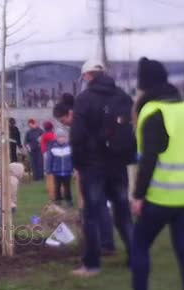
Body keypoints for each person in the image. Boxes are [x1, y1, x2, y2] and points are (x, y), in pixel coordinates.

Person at [114, 57, 184, 290]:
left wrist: (138, 196)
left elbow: (148, 160)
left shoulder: (153, 112)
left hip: (161, 197)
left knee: (140, 244)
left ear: (144, 86)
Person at [66, 59, 136, 277]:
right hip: (118, 165)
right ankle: (137, 257)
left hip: (93, 165)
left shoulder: (85, 99)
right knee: (123, 213)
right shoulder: (123, 97)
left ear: (87, 76)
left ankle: (92, 264)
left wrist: (77, 163)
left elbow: (76, 135)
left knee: (92, 215)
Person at [46, 127, 73, 207]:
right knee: (57, 187)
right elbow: (49, 159)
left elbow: (72, 158)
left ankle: (69, 200)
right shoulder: (53, 147)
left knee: (67, 187)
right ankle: (58, 201)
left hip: (67, 171)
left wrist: (73, 168)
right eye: (59, 137)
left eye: (63, 137)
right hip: (56, 171)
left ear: (66, 138)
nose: (61, 139)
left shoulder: (69, 147)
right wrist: (48, 169)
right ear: (56, 138)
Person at [40, 121, 57, 199]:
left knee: (48, 171)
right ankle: (52, 187)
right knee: (51, 171)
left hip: (47, 152)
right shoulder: (52, 134)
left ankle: (50, 187)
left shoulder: (45, 135)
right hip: (49, 152)